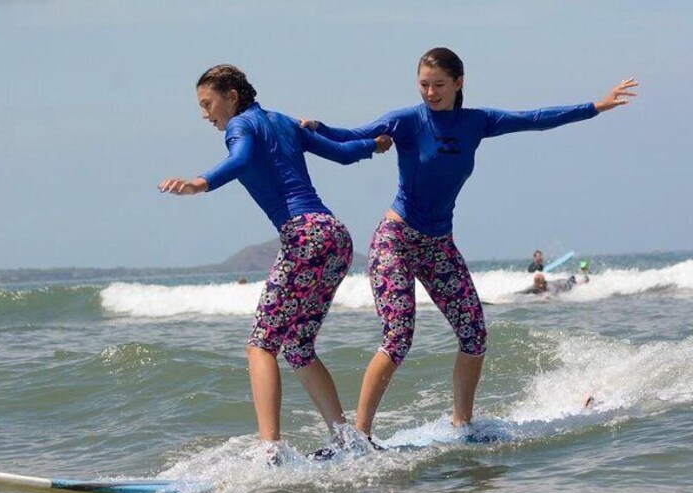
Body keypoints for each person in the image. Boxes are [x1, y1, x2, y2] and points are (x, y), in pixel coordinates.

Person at [303, 47, 637, 439]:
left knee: (475, 334)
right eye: (424, 84)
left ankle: (462, 425)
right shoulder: (406, 121)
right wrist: (314, 128)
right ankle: (359, 436)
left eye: (438, 84)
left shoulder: (477, 122)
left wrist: (595, 106)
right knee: (397, 338)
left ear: (459, 83)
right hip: (396, 238)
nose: (430, 92)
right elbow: (351, 135)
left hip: (438, 243)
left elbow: (534, 120)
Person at [158, 64, 393, 456]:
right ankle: (347, 441)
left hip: (303, 236)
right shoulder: (282, 120)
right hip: (334, 236)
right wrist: (375, 145)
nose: (205, 114)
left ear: (232, 96)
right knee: (298, 347)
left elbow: (241, 158)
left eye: (207, 103)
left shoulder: (241, 127)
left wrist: (201, 183)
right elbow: (343, 154)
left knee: (260, 345)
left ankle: (270, 452)